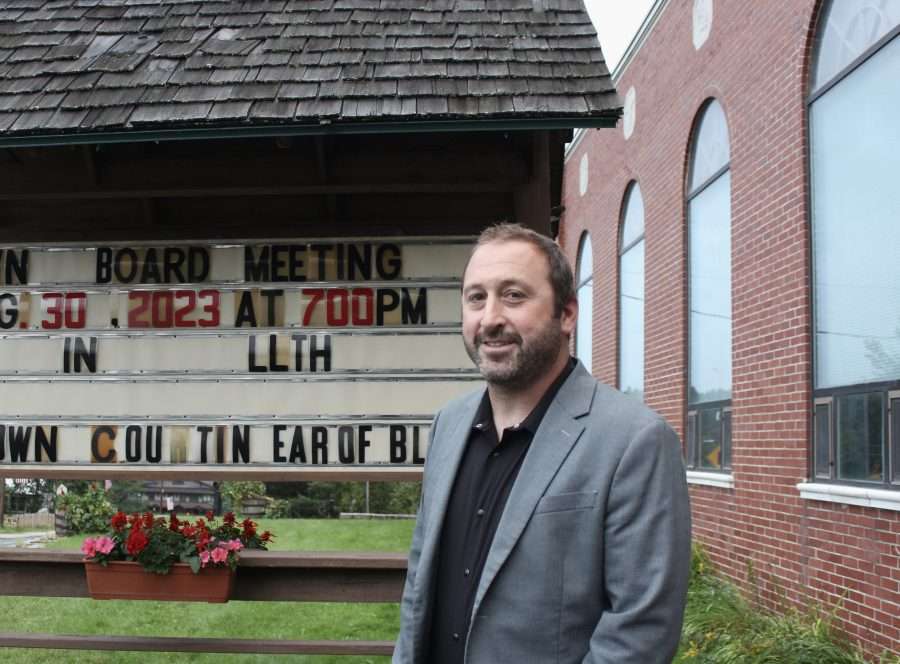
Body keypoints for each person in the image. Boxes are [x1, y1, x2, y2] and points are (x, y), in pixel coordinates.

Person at [393, 223, 691, 664]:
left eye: (513, 295)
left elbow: (639, 635)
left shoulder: (636, 442)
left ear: (567, 314)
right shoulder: (448, 426)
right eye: (476, 297)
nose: (490, 318)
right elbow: (419, 585)